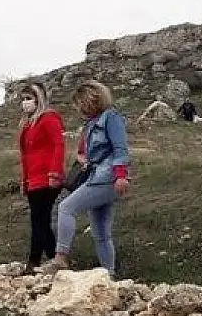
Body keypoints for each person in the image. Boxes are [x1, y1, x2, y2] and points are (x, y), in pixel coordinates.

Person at [51, 80, 131, 276]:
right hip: (100, 175)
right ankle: (109, 274)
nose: (78, 109)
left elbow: (120, 148)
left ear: (90, 101)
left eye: (80, 104)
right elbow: (85, 151)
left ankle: (61, 256)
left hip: (106, 177)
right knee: (101, 233)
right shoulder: (91, 124)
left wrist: (121, 175)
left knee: (66, 208)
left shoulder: (110, 118)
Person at [16, 83, 65, 273]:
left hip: (46, 178)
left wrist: (55, 173)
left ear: (39, 99)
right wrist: (24, 181)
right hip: (34, 179)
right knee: (41, 221)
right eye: (23, 99)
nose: (25, 103)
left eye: (29, 98)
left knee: (39, 221)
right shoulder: (28, 124)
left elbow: (58, 145)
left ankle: (34, 260)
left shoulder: (49, 119)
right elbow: (26, 156)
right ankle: (54, 259)